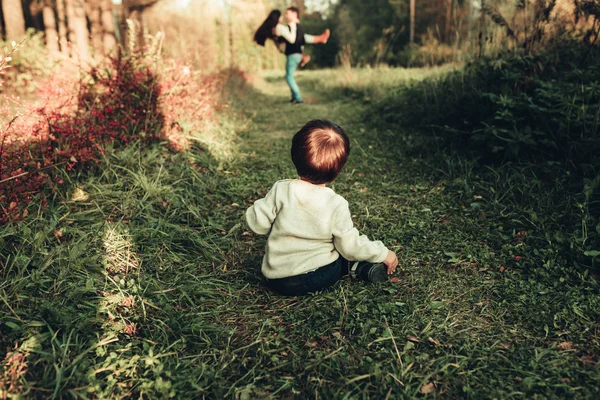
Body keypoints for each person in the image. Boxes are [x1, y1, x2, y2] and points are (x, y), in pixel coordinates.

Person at [245, 120, 399, 296]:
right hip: (313, 278)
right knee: (341, 258)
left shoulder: (281, 189)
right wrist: (382, 253)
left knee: (338, 252)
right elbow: (350, 246)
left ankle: (354, 267)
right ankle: (354, 268)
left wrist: (262, 205)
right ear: (339, 170)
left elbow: (257, 225)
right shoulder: (336, 204)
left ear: (294, 156)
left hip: (275, 279)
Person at [254, 9, 330, 97]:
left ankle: (313, 46)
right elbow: (292, 39)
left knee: (301, 37)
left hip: (285, 49)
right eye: (282, 15)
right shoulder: (279, 28)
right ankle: (297, 97)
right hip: (289, 49)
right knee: (300, 38)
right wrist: (293, 25)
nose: (283, 17)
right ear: (278, 18)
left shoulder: (271, 28)